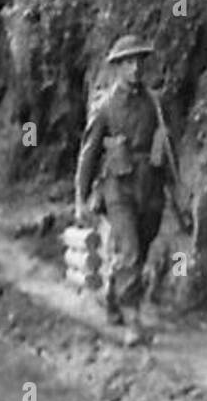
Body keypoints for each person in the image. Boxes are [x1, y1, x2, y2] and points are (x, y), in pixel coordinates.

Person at [74, 36, 173, 347]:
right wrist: (81, 197)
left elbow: (168, 148)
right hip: (118, 187)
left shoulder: (155, 103)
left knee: (140, 251)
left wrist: (175, 187)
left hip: (151, 185)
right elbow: (88, 154)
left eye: (139, 61)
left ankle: (113, 296)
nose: (135, 68)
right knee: (129, 250)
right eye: (128, 62)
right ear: (117, 67)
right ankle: (133, 321)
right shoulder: (105, 107)